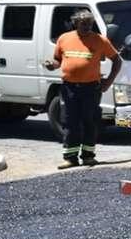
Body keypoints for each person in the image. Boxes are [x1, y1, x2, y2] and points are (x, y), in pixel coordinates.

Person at [42, 10, 122, 168]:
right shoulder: (64, 38)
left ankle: (88, 156)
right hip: (69, 88)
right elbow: (58, 60)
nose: (87, 27)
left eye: (90, 24)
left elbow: (117, 61)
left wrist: (108, 81)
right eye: (84, 24)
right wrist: (52, 65)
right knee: (69, 121)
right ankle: (70, 158)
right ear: (75, 23)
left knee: (89, 121)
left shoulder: (100, 40)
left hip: (91, 88)